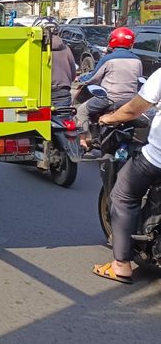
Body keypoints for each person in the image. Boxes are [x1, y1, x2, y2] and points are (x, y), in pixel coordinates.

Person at [93, 67, 161, 283]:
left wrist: (108, 119)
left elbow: (133, 110)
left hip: (155, 159)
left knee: (123, 196)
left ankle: (121, 264)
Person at [75, 27, 141, 149]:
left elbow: (94, 77)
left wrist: (80, 79)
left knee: (81, 111)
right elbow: (138, 78)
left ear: (113, 41)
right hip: (130, 100)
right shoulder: (137, 60)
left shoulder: (109, 59)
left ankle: (83, 141)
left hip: (109, 98)